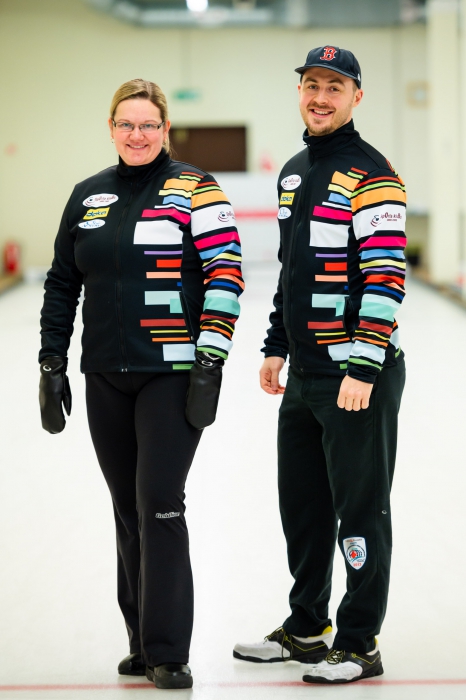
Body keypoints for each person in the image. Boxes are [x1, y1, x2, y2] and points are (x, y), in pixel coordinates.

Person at [38, 78, 244, 690]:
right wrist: (51, 362)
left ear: (165, 130)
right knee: (127, 509)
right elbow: (62, 281)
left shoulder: (197, 189)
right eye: (126, 124)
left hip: (171, 373)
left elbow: (226, 273)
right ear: (111, 128)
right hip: (104, 373)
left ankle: (169, 650)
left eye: (149, 124)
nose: (137, 134)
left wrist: (210, 360)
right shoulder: (88, 195)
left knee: (159, 502)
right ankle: (140, 641)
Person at [233, 46, 406, 684]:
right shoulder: (295, 171)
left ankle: (360, 642)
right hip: (304, 376)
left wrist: (363, 366)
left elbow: (385, 276)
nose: (321, 96)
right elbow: (293, 270)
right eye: (311, 84)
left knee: (360, 512)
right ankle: (307, 628)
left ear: (357, 96)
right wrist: (276, 344)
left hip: (356, 376)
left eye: (335, 86)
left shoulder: (373, 173)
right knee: (304, 508)